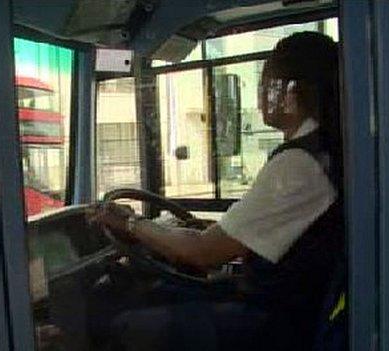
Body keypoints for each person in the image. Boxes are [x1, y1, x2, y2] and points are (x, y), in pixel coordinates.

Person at [89, 31, 342, 351]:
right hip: (287, 309)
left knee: (125, 325)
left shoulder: (297, 164)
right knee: (160, 294)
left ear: (290, 93)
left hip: (273, 322)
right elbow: (238, 236)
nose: (261, 94)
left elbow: (202, 253)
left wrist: (130, 224)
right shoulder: (320, 154)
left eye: (266, 84)